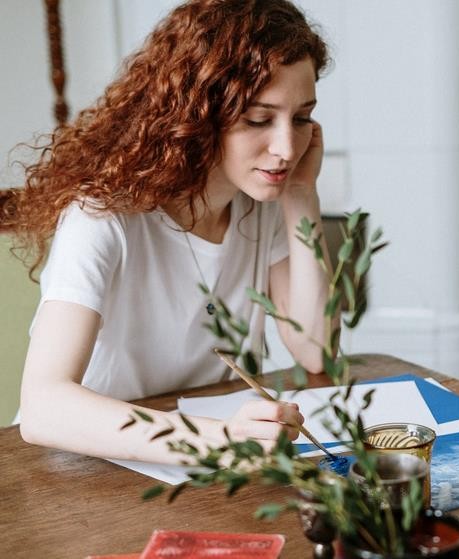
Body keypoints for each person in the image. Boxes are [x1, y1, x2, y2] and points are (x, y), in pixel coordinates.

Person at [6, 0, 332, 464]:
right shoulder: (102, 216)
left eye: (301, 119)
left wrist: (302, 195)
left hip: (191, 469)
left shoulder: (260, 202)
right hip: (79, 465)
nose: (285, 148)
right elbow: (42, 407)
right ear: (199, 114)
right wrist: (220, 440)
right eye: (259, 119)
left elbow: (316, 350)